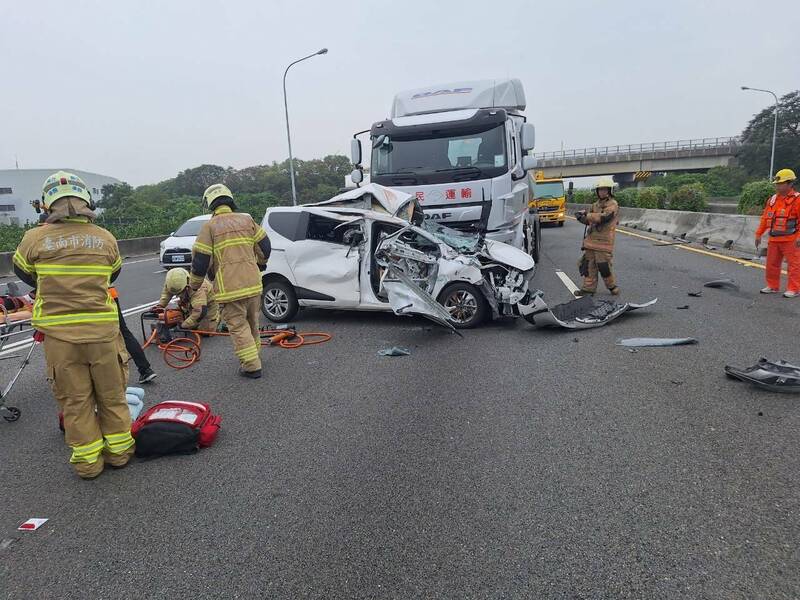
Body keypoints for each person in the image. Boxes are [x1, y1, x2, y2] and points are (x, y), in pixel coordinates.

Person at [13, 171, 134, 479]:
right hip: (103, 334)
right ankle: (119, 453)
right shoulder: (104, 238)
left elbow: (24, 273)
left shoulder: (33, 239)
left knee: (76, 401)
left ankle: (88, 463)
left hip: (60, 339)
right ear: (86, 202)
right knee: (112, 395)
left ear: (45, 205)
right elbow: (113, 274)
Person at [190, 184, 271, 378]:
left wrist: (194, 285)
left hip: (230, 290)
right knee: (252, 322)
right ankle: (255, 355)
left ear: (210, 204)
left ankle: (252, 366)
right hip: (253, 284)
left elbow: (200, 261)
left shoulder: (210, 227)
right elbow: (265, 247)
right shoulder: (247, 219)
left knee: (238, 326)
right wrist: (259, 264)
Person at [756, 168, 800, 298]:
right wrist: (758, 234)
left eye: (781, 183)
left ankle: (794, 288)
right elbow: (765, 218)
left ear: (790, 183)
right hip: (774, 239)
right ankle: (772, 286)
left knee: (794, 266)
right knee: (772, 265)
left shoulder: (797, 200)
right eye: (777, 183)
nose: (778, 186)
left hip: (791, 239)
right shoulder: (772, 200)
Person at [574, 176, 620, 296]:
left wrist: (587, 215)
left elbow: (604, 217)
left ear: (609, 191)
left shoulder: (613, 204)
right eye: (600, 190)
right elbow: (589, 221)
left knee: (604, 267)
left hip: (603, 243)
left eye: (604, 189)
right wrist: (581, 218)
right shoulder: (595, 205)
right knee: (589, 267)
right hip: (591, 242)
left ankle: (612, 287)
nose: (602, 192)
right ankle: (588, 289)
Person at [110, 286, 157, 383]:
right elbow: (115, 270)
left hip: (86, 298)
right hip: (109, 293)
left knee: (96, 337)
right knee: (124, 332)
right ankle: (145, 370)